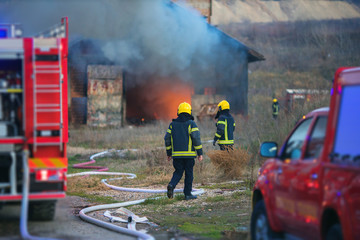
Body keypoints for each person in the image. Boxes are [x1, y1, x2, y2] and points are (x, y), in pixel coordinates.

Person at [164, 102, 203, 201]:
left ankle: (172, 185)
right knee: (189, 174)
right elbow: (196, 139)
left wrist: (169, 153)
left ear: (179, 112)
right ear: (189, 112)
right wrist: (200, 153)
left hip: (176, 156)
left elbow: (167, 138)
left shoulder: (172, 124)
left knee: (178, 172)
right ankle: (187, 194)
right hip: (189, 156)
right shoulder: (192, 124)